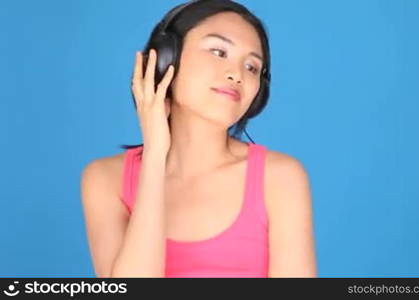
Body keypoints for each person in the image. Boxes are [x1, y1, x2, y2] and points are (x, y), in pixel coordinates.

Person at [80, 0, 317, 278]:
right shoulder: (104, 179)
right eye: (218, 51)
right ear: (167, 59)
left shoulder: (280, 178)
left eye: (252, 67)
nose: (236, 74)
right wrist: (155, 155)